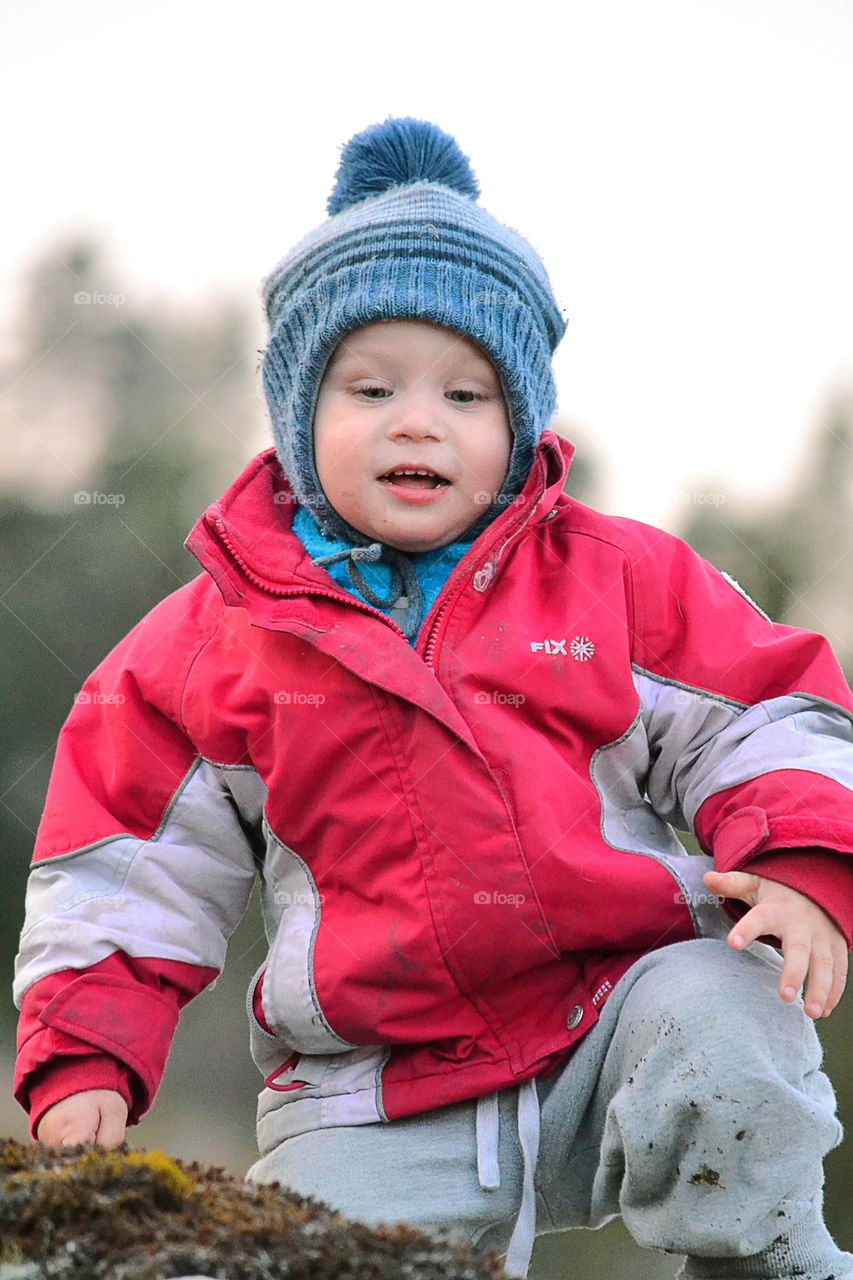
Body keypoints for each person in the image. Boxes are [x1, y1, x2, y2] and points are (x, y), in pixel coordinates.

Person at [13, 117, 853, 1280]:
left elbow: (763, 710)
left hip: (617, 1020)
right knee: (306, 1260)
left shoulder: (616, 583)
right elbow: (121, 861)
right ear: (301, 411)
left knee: (729, 1009)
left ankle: (763, 1261)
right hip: (372, 1085)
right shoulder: (216, 645)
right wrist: (84, 1055)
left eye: (465, 391)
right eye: (371, 386)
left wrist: (804, 856)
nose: (419, 419)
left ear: (517, 421)